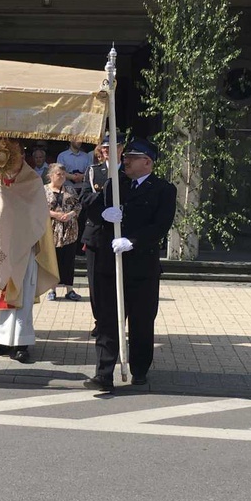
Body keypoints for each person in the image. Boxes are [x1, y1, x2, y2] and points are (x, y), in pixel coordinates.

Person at [83, 138, 176, 393]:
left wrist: (132, 241)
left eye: (132, 158)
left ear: (147, 162)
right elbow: (90, 207)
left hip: (141, 268)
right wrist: (102, 213)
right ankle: (103, 374)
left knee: (141, 321)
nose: (125, 161)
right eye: (126, 157)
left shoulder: (164, 190)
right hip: (111, 265)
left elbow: (160, 226)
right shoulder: (116, 184)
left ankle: (139, 370)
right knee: (107, 321)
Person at [0, 137, 59, 363]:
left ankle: (21, 343)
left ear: (21, 157)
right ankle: (0, 339)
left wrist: (9, 201)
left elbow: (38, 217)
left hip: (22, 248)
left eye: (14, 157)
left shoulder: (32, 181)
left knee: (21, 297)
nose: (10, 164)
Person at [80, 132, 124, 337]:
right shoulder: (93, 171)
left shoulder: (127, 172)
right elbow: (84, 198)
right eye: (104, 147)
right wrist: (103, 208)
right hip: (97, 233)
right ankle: (100, 320)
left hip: (120, 236)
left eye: (112, 147)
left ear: (121, 149)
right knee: (96, 282)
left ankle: (117, 322)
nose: (107, 150)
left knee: (119, 281)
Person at [44, 163, 82, 301]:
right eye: (58, 174)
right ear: (51, 176)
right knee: (53, 260)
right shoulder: (43, 190)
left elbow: (78, 206)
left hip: (69, 230)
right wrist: (54, 214)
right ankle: (52, 289)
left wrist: (70, 214)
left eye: (63, 174)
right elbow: (38, 208)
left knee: (69, 260)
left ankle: (69, 289)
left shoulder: (70, 189)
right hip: (51, 229)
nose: (61, 177)